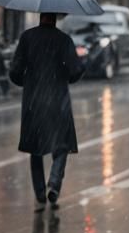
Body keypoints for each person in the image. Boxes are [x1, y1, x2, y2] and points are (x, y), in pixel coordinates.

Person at [8, 12, 86, 211]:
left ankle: (41, 193)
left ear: (40, 16)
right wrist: (64, 77)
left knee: (36, 149)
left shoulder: (27, 38)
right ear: (55, 18)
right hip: (58, 100)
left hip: (34, 101)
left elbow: (15, 72)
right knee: (61, 146)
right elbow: (76, 71)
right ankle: (54, 184)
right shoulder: (64, 40)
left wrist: (28, 82)